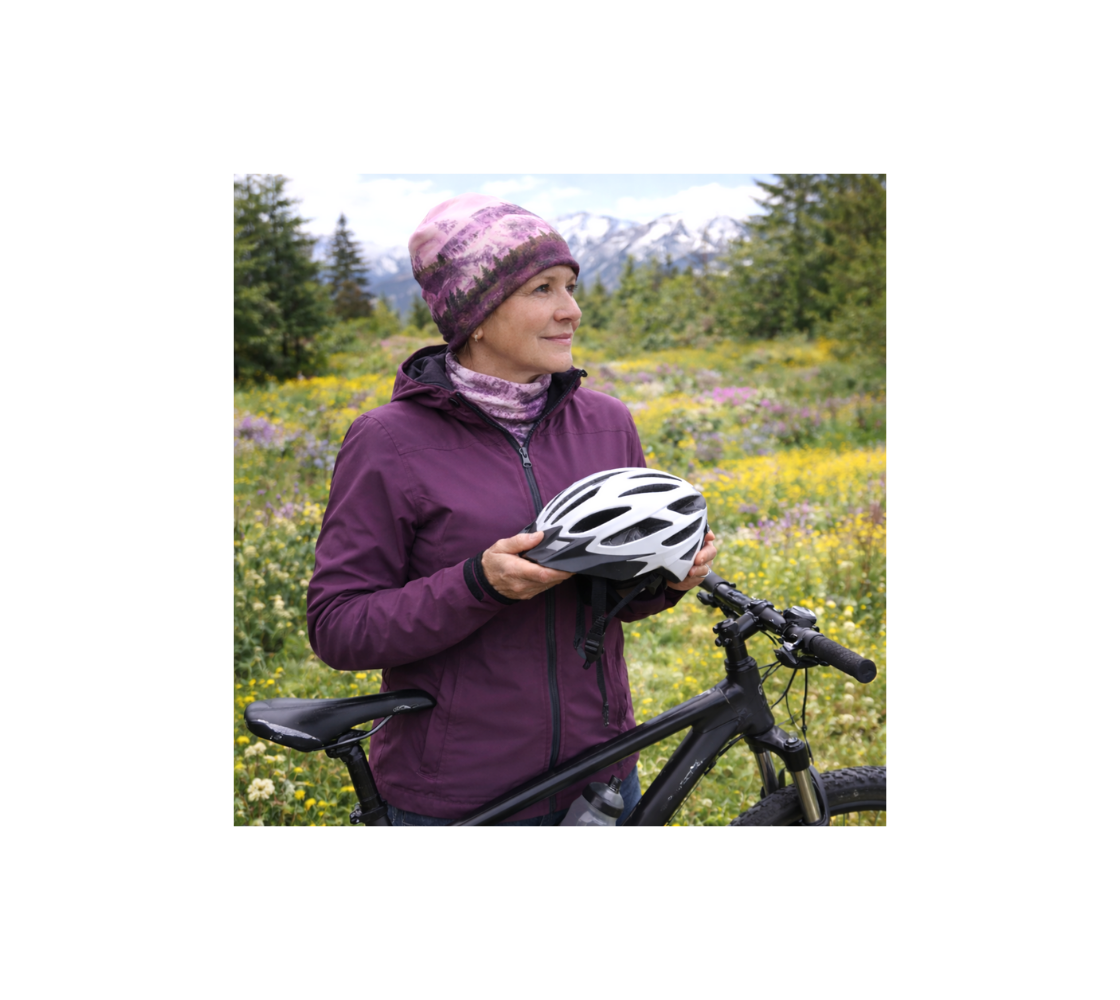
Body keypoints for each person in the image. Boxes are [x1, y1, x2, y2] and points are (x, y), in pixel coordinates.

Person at [307, 194, 717, 826]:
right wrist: (480, 583)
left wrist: (668, 574)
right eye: (542, 289)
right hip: (460, 795)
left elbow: (614, 603)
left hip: (601, 776)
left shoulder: (607, 423)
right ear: (474, 314)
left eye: (572, 286)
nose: (571, 310)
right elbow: (339, 625)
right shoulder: (388, 441)